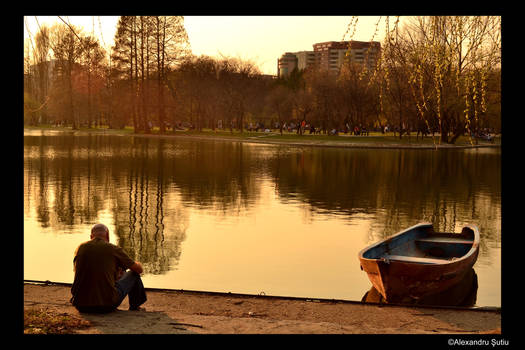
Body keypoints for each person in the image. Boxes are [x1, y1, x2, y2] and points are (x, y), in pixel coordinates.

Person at [70, 223, 147, 313]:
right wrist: (135, 264)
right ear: (107, 236)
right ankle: (135, 307)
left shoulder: (80, 248)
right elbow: (139, 270)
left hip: (81, 305)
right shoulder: (113, 249)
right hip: (106, 305)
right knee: (133, 274)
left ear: (91, 236)